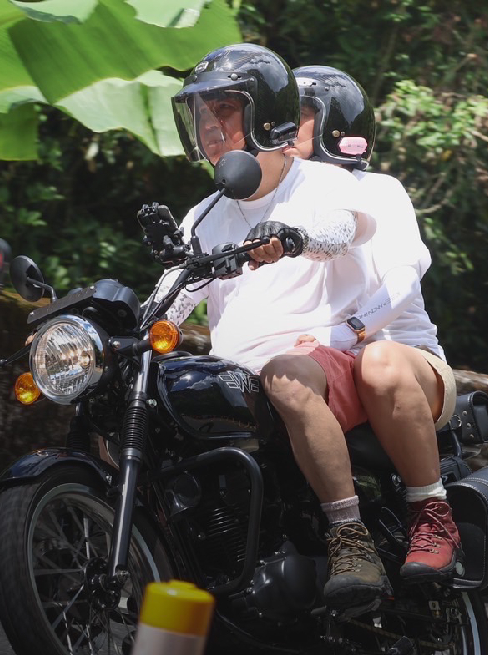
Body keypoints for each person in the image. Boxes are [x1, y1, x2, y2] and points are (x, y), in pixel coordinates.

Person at [152, 43, 391, 612]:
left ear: (266, 117)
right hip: (237, 377)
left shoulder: (322, 184)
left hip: (317, 361)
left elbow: (339, 232)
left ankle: (349, 536)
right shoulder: (205, 214)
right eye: (201, 114)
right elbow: (171, 298)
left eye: (225, 111)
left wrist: (293, 238)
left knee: (284, 377)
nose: (210, 128)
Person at [287, 65, 460, 583]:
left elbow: (403, 284)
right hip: (327, 365)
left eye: (296, 118)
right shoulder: (276, 201)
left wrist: (347, 334)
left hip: (404, 367)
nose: (277, 130)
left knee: (377, 361)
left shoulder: (378, 190)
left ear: (334, 127)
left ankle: (431, 513)